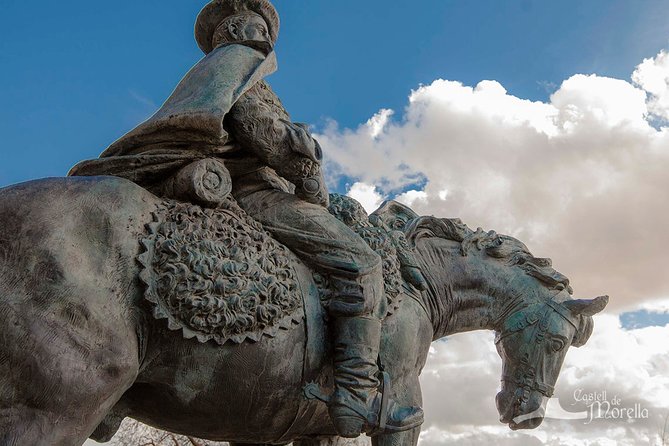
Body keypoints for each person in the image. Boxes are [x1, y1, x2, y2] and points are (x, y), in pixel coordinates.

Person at [70, 0, 423, 438]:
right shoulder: (240, 72)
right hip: (255, 193)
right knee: (362, 263)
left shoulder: (213, 77)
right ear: (239, 32)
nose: (262, 38)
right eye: (257, 29)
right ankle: (355, 388)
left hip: (245, 187)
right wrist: (306, 162)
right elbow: (270, 142)